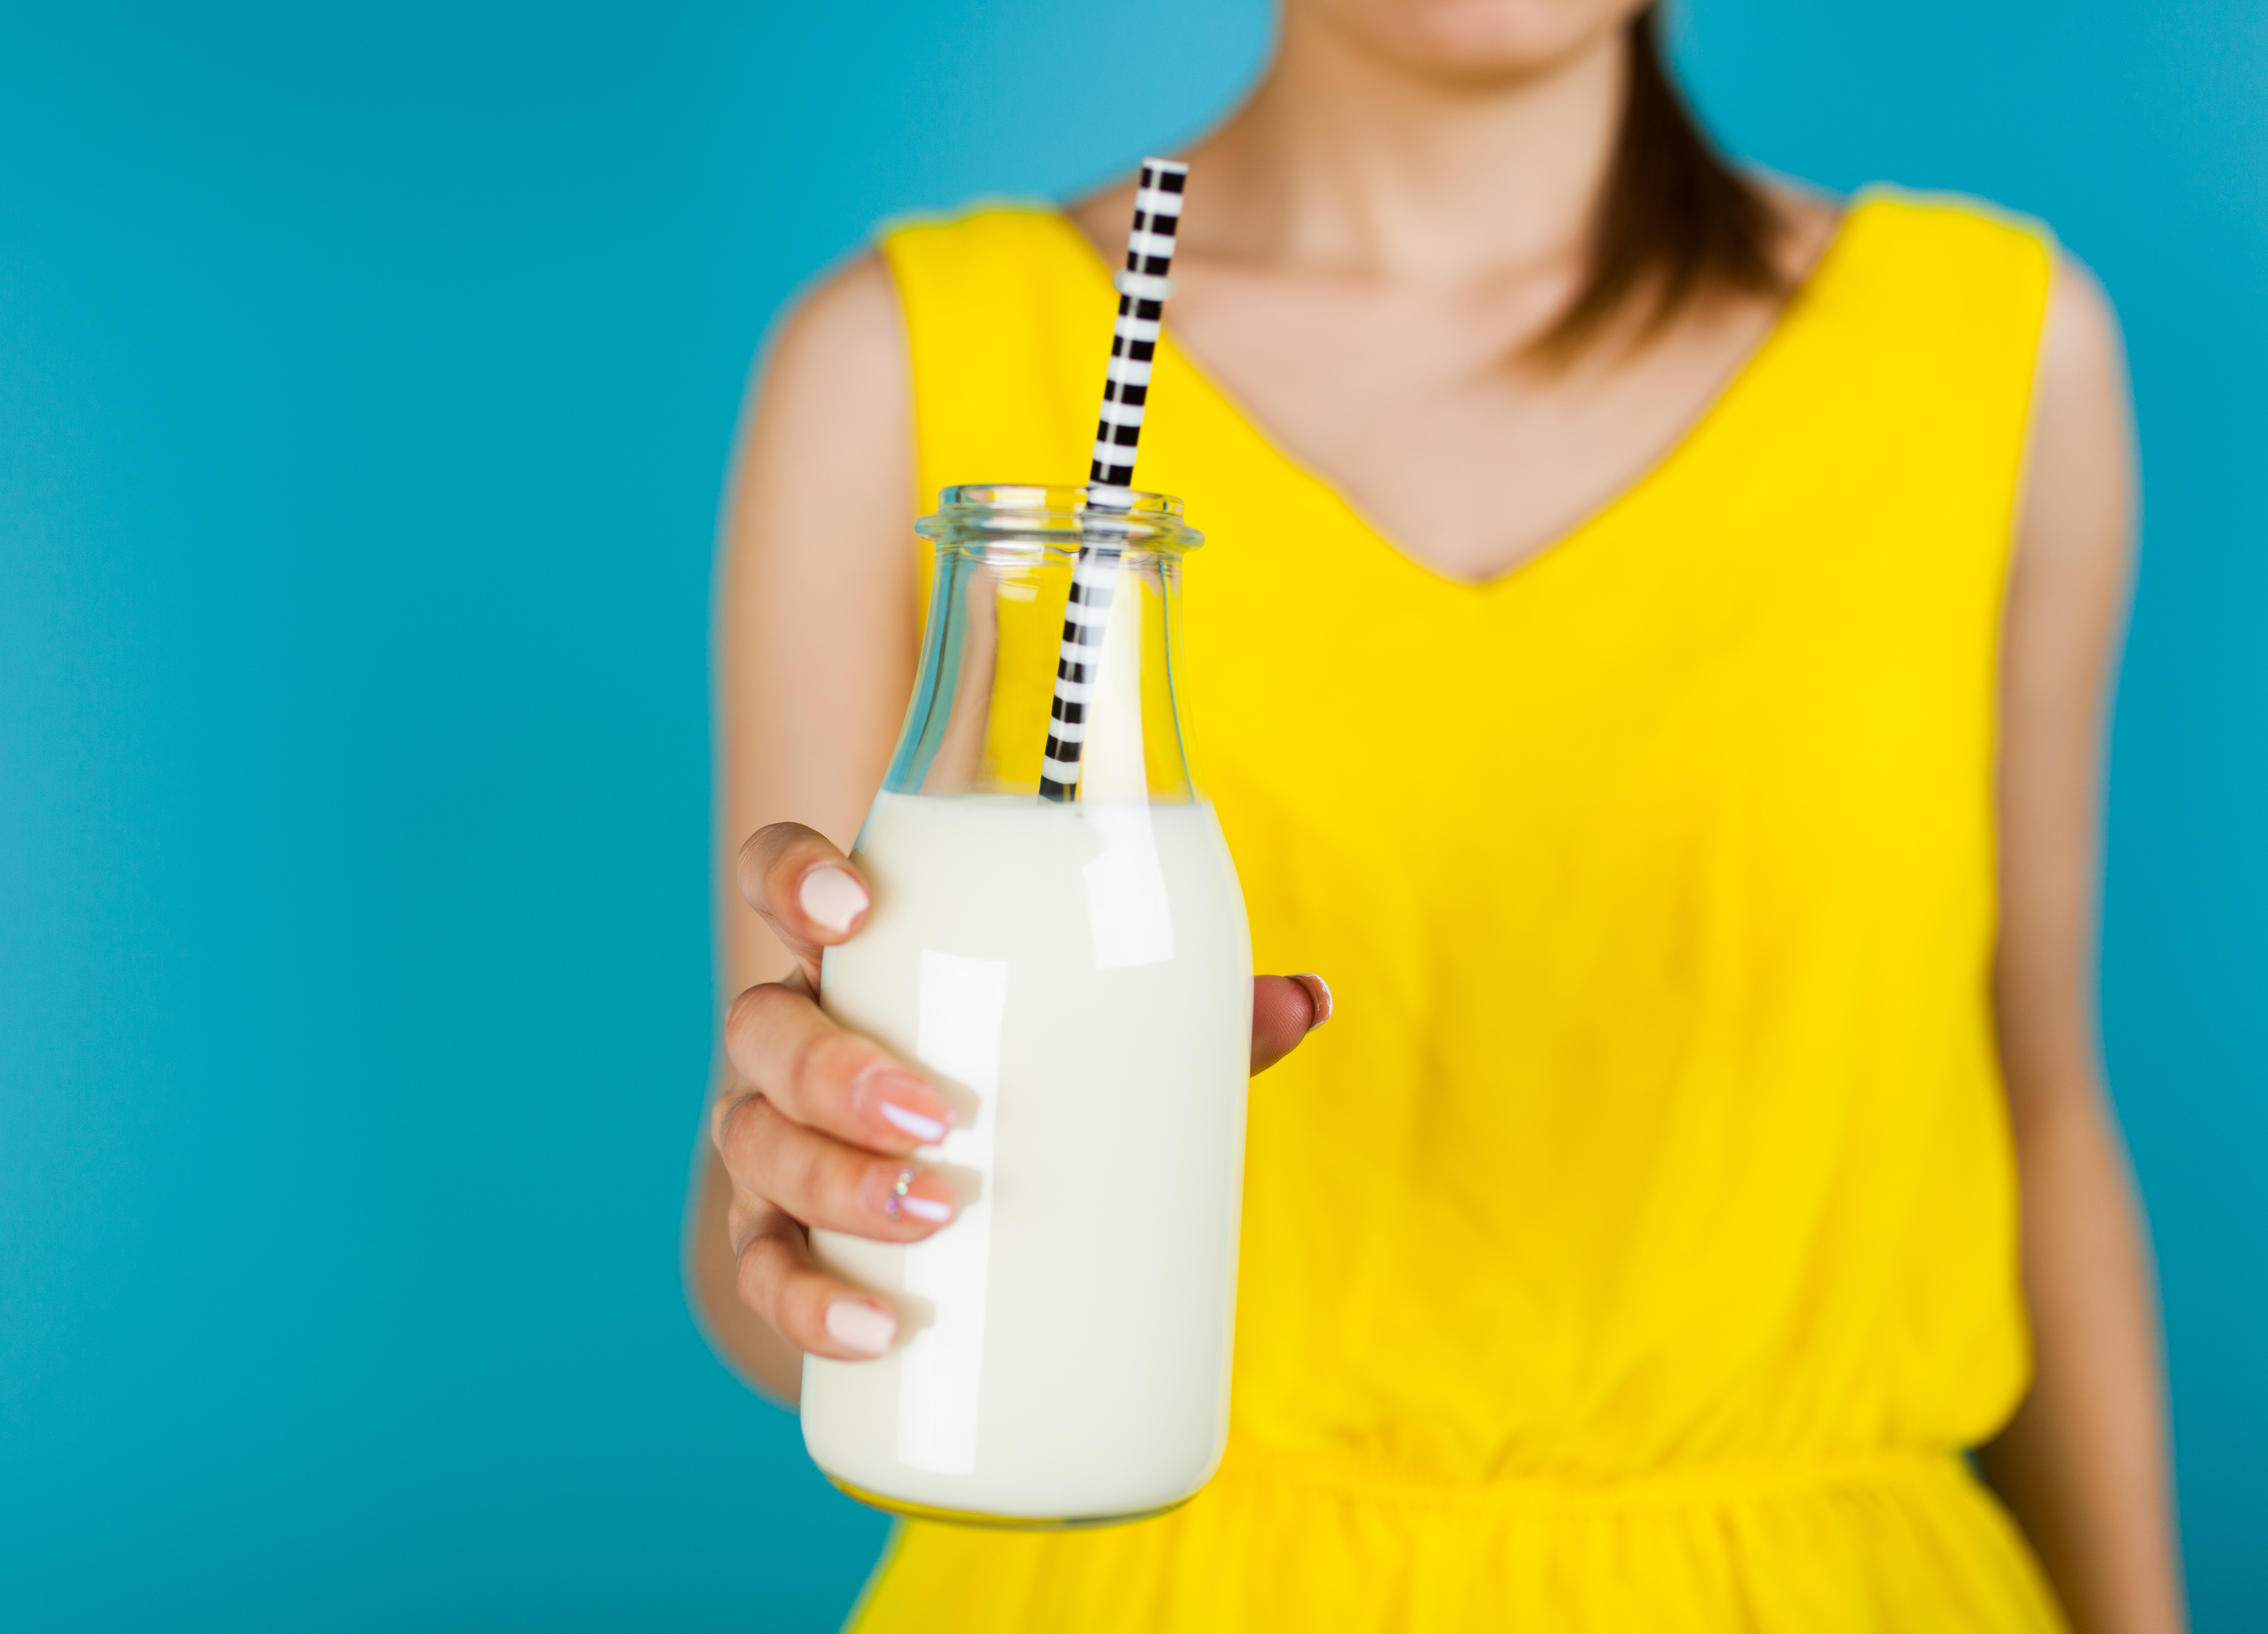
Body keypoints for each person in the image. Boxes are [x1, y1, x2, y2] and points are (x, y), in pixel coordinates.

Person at [684, 0, 2183, 1628]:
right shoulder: (900, 360)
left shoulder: (1999, 355)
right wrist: (817, 1211)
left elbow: (2037, 1110)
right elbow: (766, 1253)